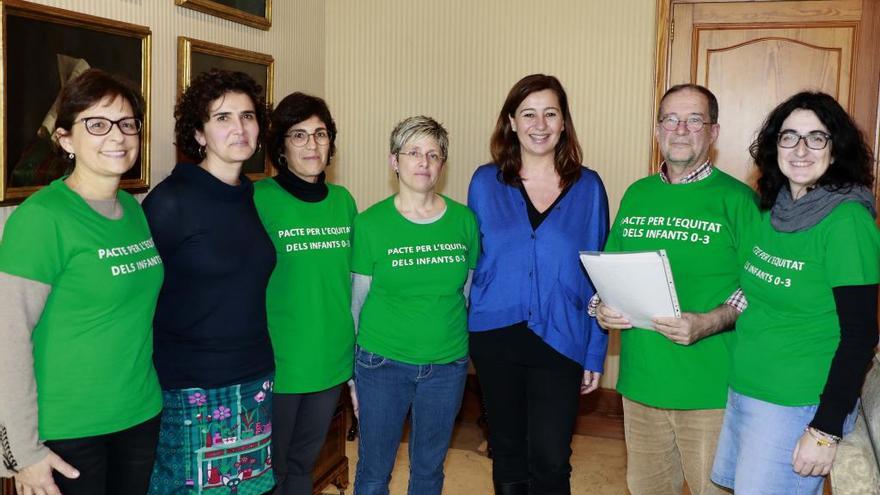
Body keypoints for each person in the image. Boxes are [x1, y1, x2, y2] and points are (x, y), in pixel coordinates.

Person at [0, 69, 163, 494]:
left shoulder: (133, 209)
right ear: (65, 139)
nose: (118, 136)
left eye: (128, 124)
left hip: (139, 414)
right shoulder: (40, 218)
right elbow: (7, 337)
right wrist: (21, 451)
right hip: (69, 430)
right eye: (97, 124)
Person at [710, 91, 880, 494]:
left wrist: (825, 429)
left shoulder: (847, 222)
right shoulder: (773, 209)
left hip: (796, 404)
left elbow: (860, 336)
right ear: (775, 146)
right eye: (789, 136)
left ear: (836, 149)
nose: (801, 149)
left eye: (816, 138)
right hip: (747, 390)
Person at [595, 84, 757, 495]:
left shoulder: (739, 201)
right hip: (640, 386)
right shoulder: (637, 194)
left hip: (710, 392)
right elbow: (609, 271)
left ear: (714, 132)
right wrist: (601, 307)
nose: (680, 129)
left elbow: (760, 289)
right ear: (657, 129)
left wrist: (709, 321)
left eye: (694, 120)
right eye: (670, 119)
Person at [467, 74, 609, 495]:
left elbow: (601, 277)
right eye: (528, 113)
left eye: (551, 113)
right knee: (507, 450)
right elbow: (474, 263)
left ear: (564, 122)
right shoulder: (484, 182)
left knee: (551, 456)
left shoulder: (589, 187)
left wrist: (595, 350)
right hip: (496, 334)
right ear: (511, 121)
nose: (540, 124)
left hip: (561, 336)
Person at [143, 69, 276, 495]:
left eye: (248, 116)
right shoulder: (171, 200)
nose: (239, 128)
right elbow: (141, 299)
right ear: (198, 133)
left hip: (253, 377)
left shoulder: (248, 195)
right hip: (191, 386)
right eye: (222, 118)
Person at [349, 116, 479, 495]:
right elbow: (357, 301)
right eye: (413, 152)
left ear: (442, 164)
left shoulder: (464, 220)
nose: (423, 162)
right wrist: (352, 372)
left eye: (433, 154)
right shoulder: (370, 223)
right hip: (382, 363)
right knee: (374, 470)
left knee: (429, 468)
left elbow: (465, 293)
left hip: (447, 365)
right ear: (395, 161)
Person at [253, 92, 356, 494]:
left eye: (320, 134)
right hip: (279, 361)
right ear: (280, 145)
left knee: (303, 464)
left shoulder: (344, 202)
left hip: (331, 359)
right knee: (269, 469)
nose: (312, 145)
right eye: (299, 135)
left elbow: (354, 280)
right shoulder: (259, 199)